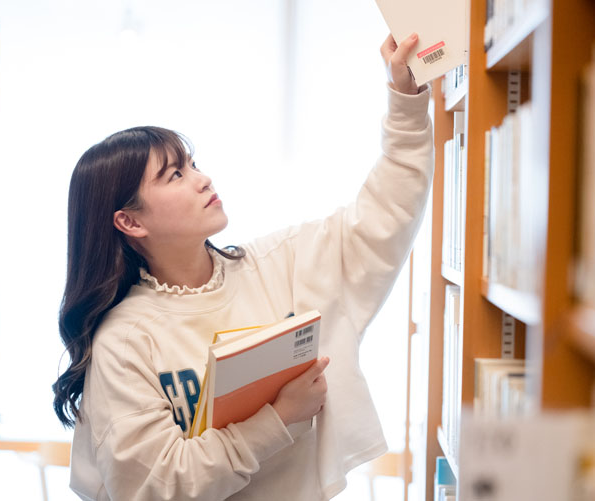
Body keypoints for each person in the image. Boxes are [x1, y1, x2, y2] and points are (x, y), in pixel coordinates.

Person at [52, 31, 434, 501]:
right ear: (129, 221)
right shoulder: (127, 340)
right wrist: (277, 419)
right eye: (175, 174)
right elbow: (153, 487)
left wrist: (407, 101)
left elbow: (384, 217)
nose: (202, 178)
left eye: (192, 164)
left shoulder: (280, 266)